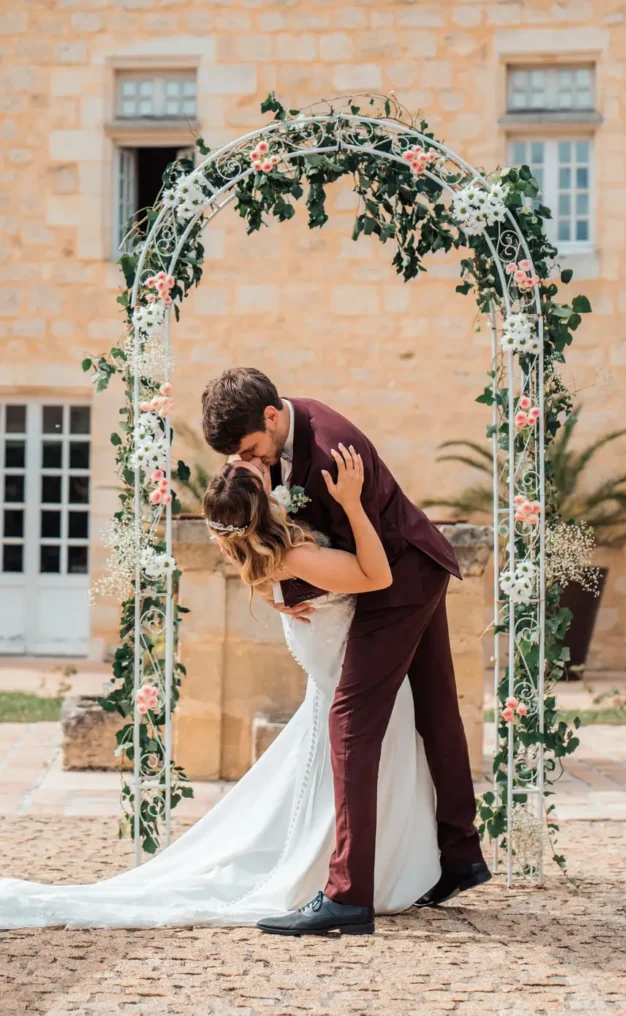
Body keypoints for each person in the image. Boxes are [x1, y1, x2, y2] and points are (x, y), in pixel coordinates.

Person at [0, 443, 447, 929]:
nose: (260, 465)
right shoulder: (297, 555)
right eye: (257, 473)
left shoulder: (257, 556)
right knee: (371, 773)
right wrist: (353, 504)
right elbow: (377, 576)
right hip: (361, 682)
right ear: (264, 506)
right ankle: (369, 876)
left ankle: (367, 870)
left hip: (341, 681)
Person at [201, 368, 489, 937]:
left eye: (249, 450)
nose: (246, 462)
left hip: (398, 579)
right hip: (406, 568)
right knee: (435, 711)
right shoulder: (276, 432)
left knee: (351, 722)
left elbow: (367, 562)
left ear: (271, 417)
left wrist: (290, 575)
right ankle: (460, 857)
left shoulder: (332, 453)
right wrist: (280, 584)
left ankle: (348, 895)